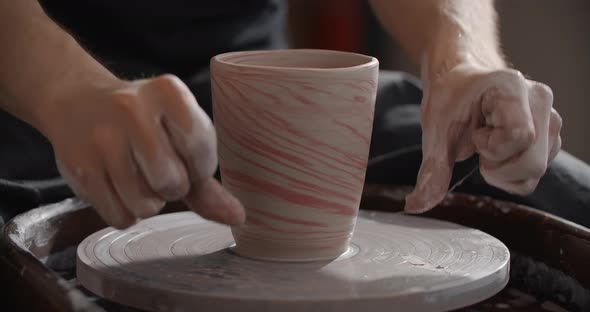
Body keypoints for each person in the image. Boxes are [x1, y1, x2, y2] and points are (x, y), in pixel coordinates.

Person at [0, 0, 588, 229]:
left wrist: (462, 57)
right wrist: (65, 91)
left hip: (255, 90)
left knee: (566, 200)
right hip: (36, 103)